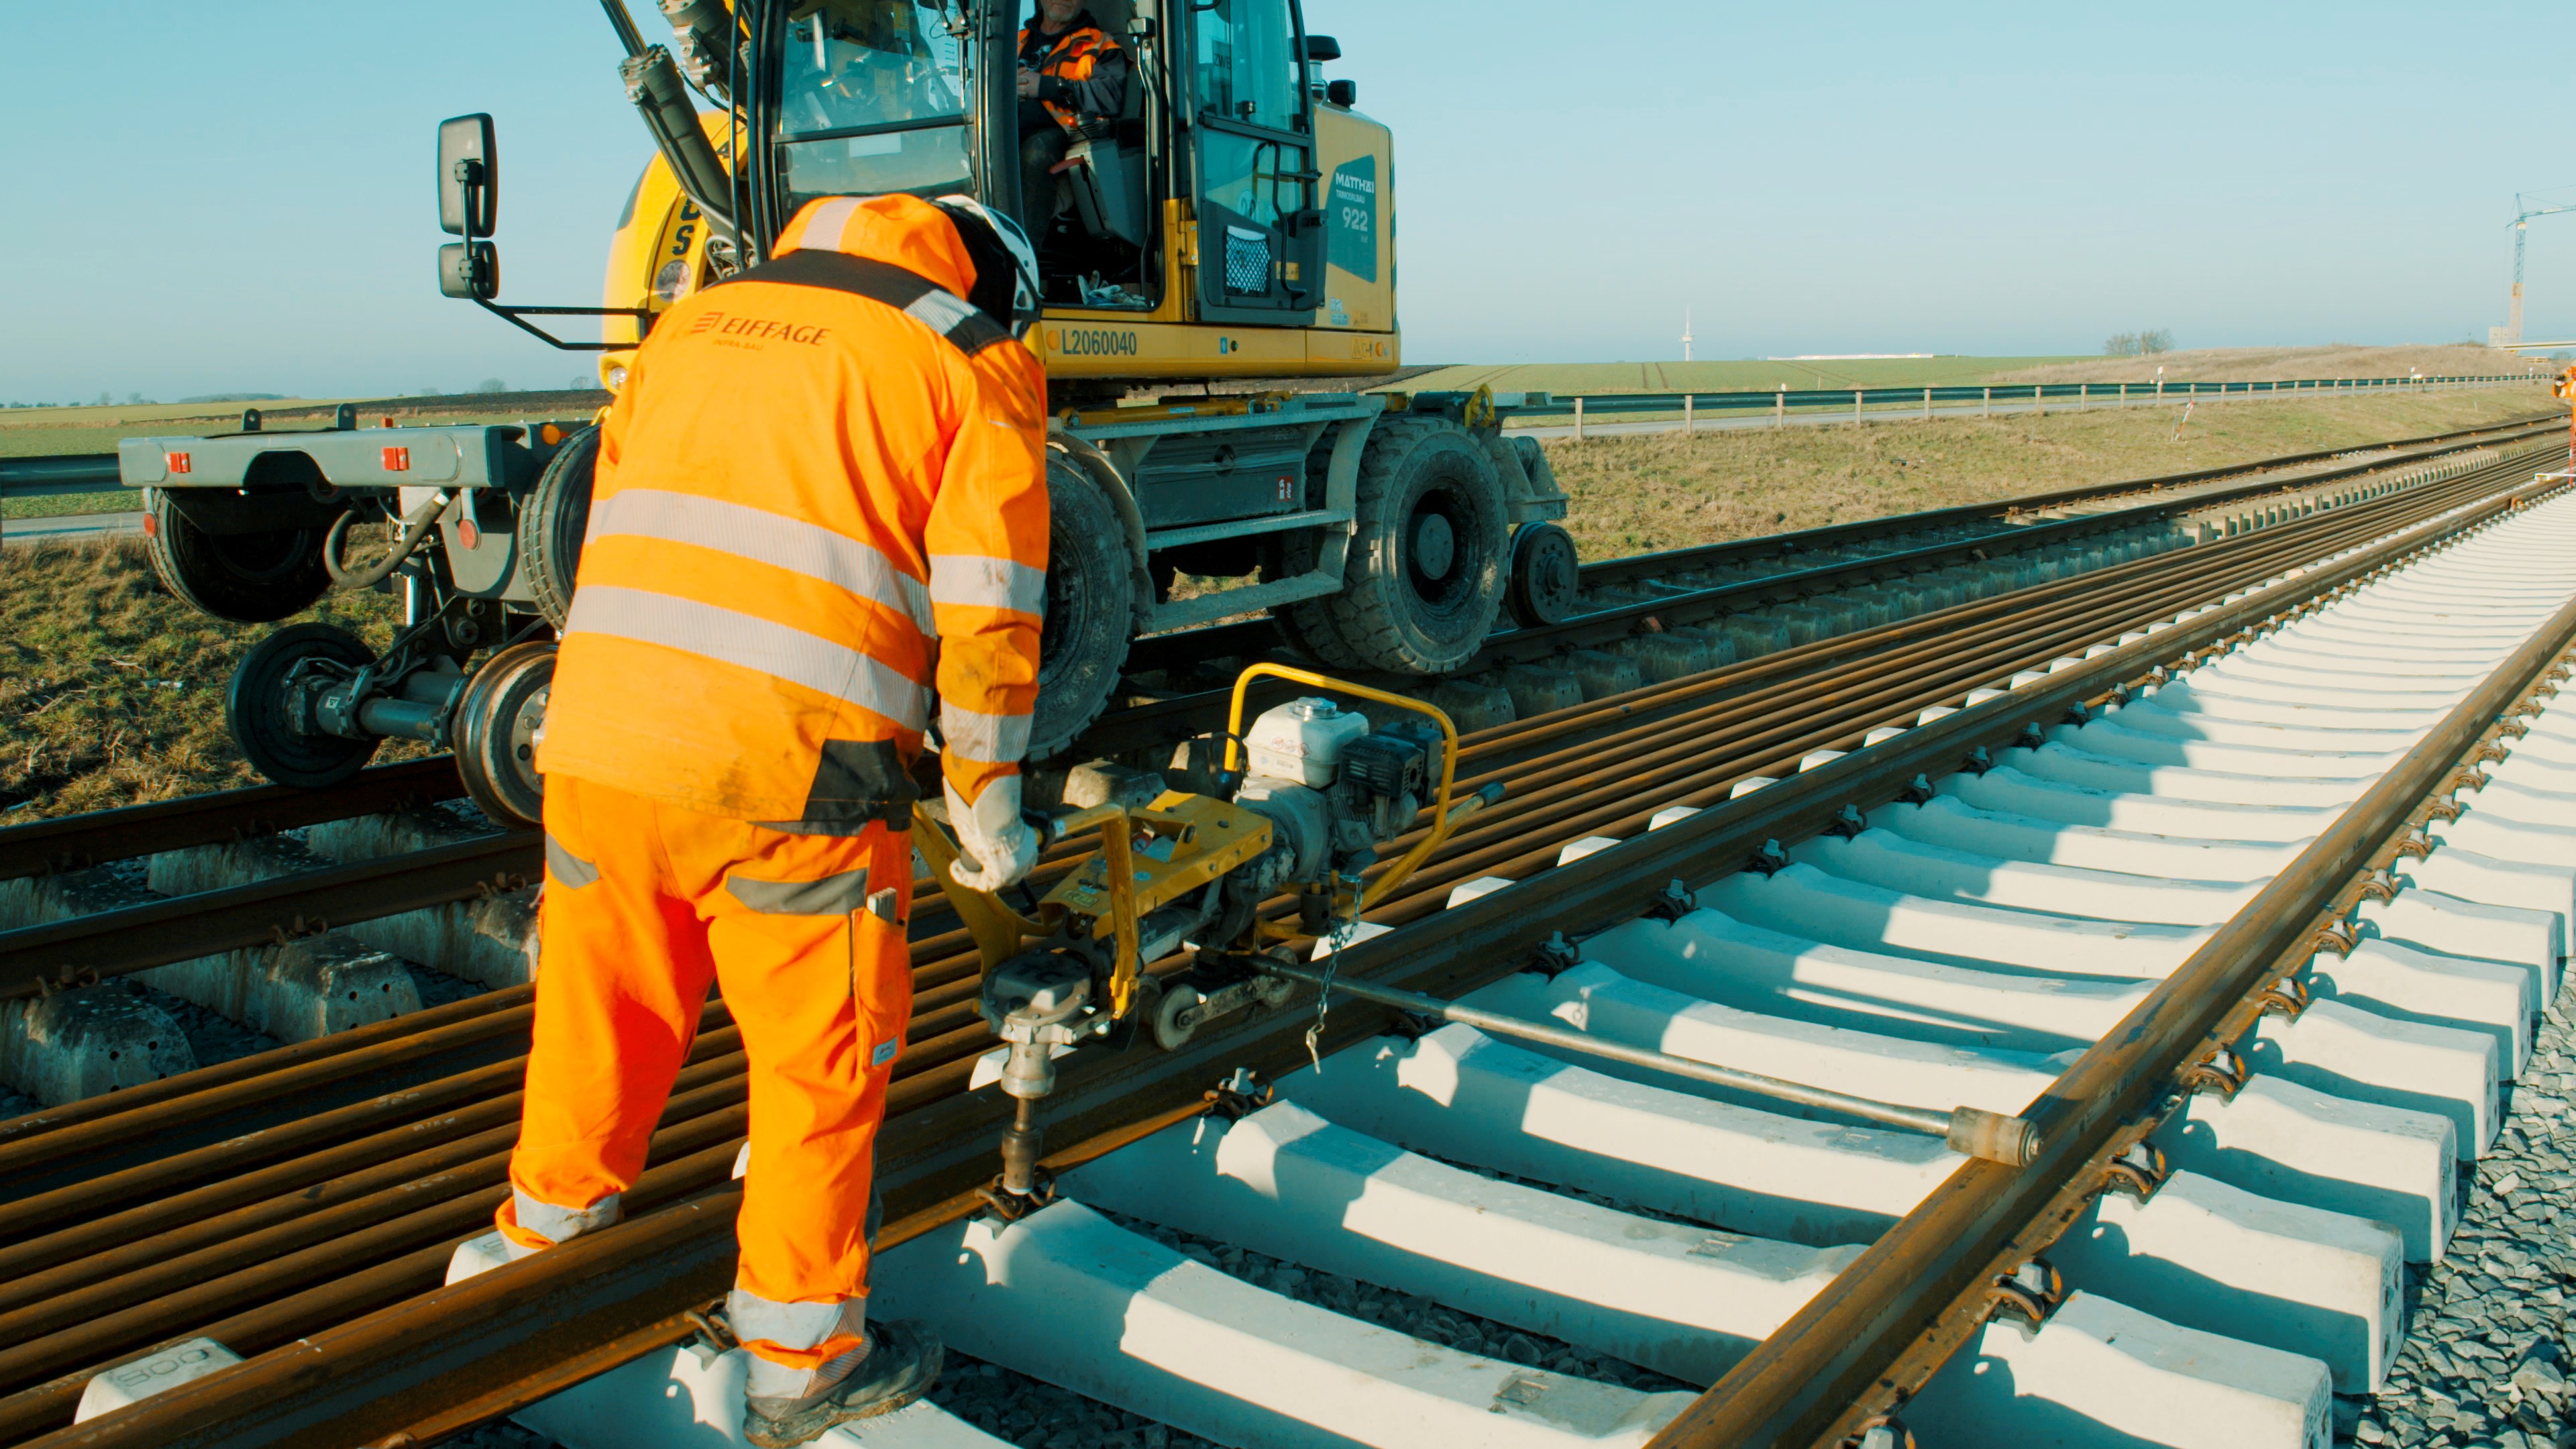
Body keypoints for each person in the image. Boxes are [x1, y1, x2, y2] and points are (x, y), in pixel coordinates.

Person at [498, 191, 1051, 1449]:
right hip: (796, 778)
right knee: (819, 1063)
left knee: (603, 1009)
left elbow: (614, 523)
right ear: (983, 279)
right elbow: (992, 608)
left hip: (601, 738)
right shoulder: (971, 358)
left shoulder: (687, 327)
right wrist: (987, 802)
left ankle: (531, 1256)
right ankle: (800, 1365)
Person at [1017, 0, 1129, 229]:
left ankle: (1022, 254)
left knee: (1036, 152)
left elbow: (1109, 97)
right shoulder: (1013, 42)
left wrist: (1045, 87)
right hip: (1008, 129)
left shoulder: (1101, 44)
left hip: (1065, 136)